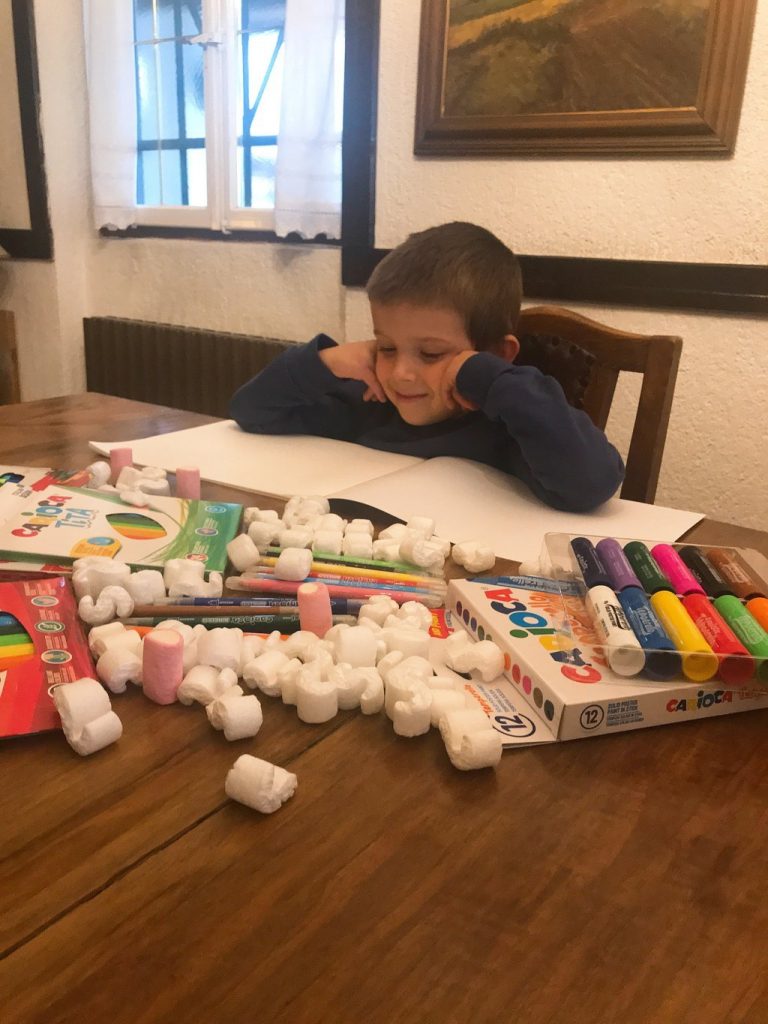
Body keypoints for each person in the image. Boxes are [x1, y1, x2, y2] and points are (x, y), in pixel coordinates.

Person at [230, 222, 624, 511]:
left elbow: (589, 485)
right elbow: (252, 412)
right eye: (387, 347)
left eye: (431, 354)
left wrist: (488, 379)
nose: (401, 373)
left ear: (495, 354)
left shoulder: (504, 429)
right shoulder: (369, 401)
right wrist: (325, 362)